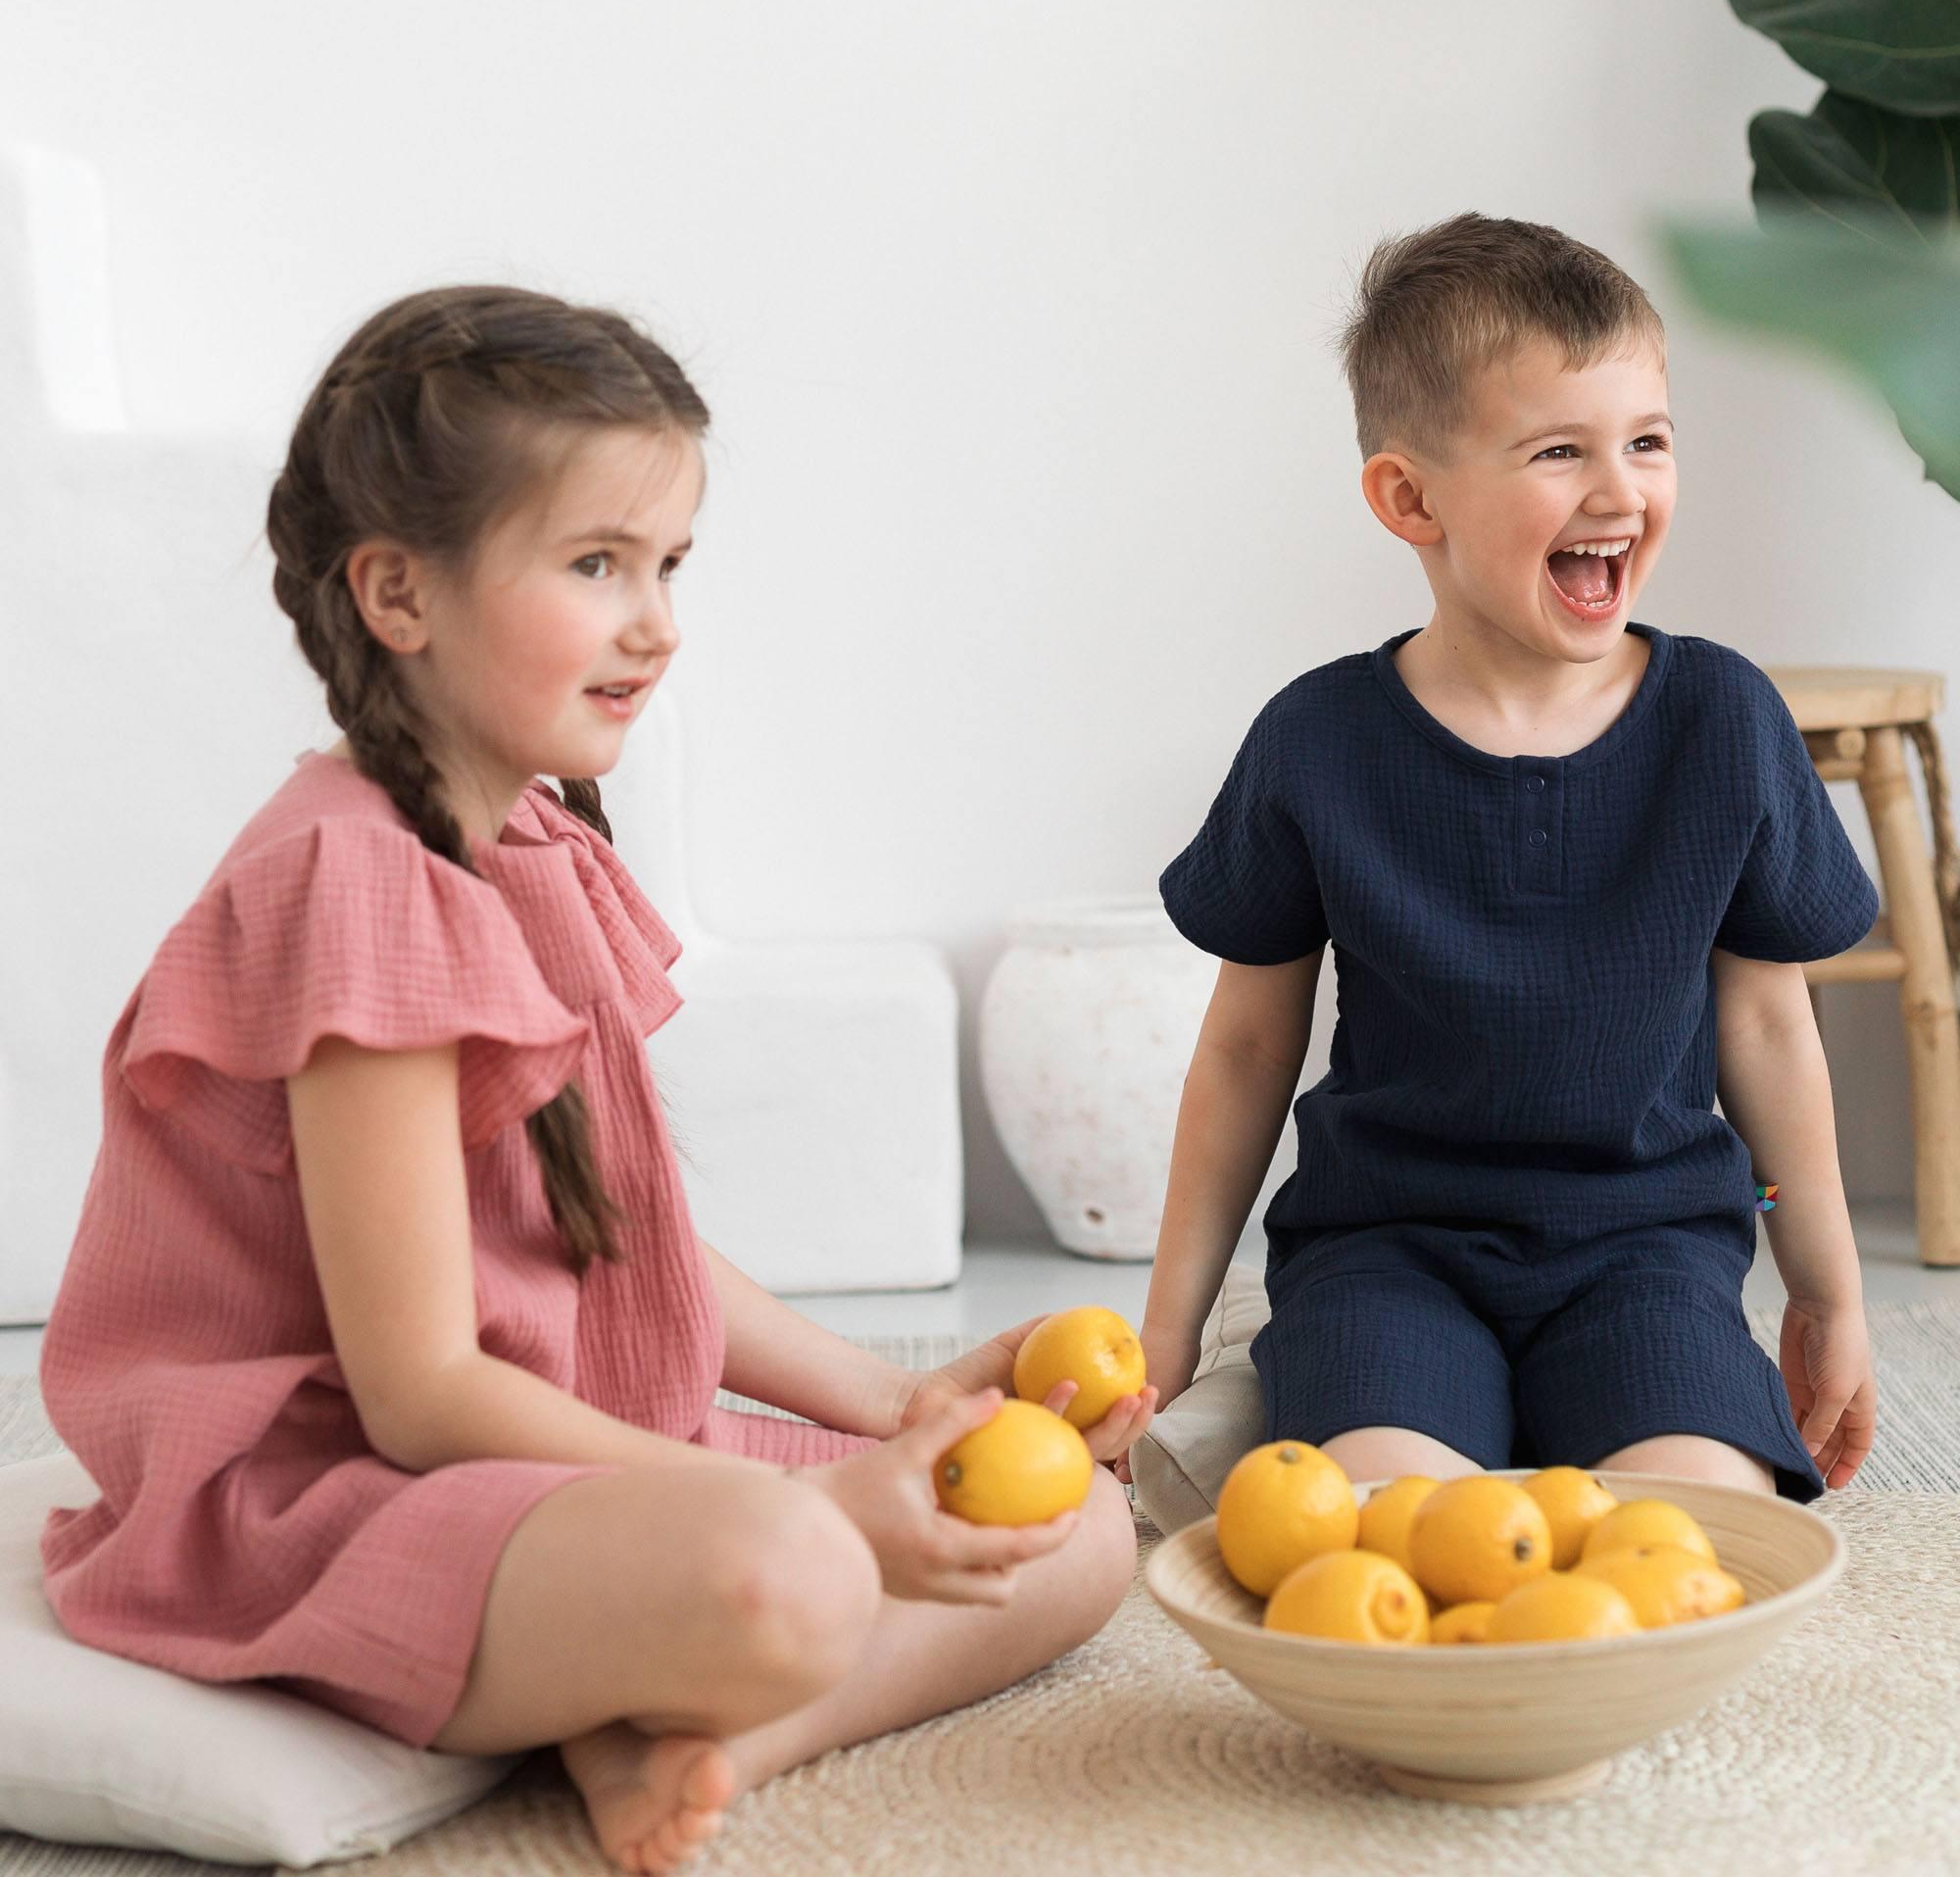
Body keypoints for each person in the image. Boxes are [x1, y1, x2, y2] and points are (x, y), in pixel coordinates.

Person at [37, 286, 1152, 1874]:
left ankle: (699, 1736)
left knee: (1080, 1533)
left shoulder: (528, 840)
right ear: (399, 595)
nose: (658, 622)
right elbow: (419, 1395)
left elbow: (617, 1237)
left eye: (669, 566)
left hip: (533, 1450)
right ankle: (688, 1664)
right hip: (343, 1489)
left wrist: (901, 1404)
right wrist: (826, 1514)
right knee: (800, 1574)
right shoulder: (351, 888)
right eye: (596, 566)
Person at [1133, 214, 1879, 1511]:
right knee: (1386, 1536)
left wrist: (1829, 1288)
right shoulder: (1317, 742)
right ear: (1409, 497)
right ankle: (1325, 1382)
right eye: (1559, 452)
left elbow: (1767, 1025)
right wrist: (1165, 1330)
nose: (1621, 490)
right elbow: (1250, 1046)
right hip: (1385, 1255)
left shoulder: (1725, 721)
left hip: (1646, 1257)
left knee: (1697, 1538)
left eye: (1647, 440)